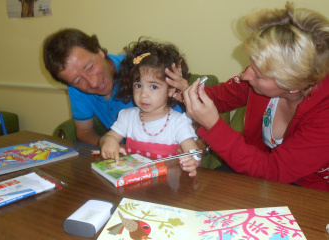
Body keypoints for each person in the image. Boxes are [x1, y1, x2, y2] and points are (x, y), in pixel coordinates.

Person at [169, 2, 329, 191]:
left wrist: (214, 125)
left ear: (294, 86)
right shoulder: (258, 83)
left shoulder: (324, 115)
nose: (246, 76)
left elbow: (273, 170)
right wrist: (187, 92)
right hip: (263, 173)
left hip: (313, 192)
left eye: (259, 75)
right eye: (250, 63)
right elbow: (221, 97)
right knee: (202, 191)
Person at [43, 29, 183, 146]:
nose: (92, 82)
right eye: (78, 80)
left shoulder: (141, 70)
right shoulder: (75, 88)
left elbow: (183, 124)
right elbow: (84, 131)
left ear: (99, 52)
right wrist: (109, 145)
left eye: (90, 67)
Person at [99, 39, 199, 176]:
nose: (143, 94)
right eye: (138, 86)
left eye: (153, 87)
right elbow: (107, 137)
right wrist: (109, 142)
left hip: (168, 186)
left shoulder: (179, 122)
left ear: (170, 90)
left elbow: (193, 151)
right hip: (134, 183)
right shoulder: (127, 116)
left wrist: (191, 160)